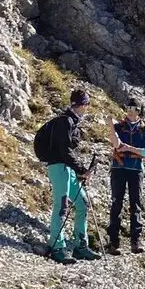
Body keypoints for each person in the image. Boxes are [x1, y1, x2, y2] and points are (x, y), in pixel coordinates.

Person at [33, 89, 101, 263]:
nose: (87, 108)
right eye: (86, 104)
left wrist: (78, 170)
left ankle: (81, 246)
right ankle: (57, 247)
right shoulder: (65, 121)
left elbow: (68, 151)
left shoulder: (70, 121)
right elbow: (65, 150)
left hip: (66, 168)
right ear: (82, 105)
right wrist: (81, 169)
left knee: (83, 204)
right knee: (62, 206)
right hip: (58, 167)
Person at [107, 98, 145, 255]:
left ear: (139, 111)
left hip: (135, 170)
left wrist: (129, 148)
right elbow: (115, 144)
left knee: (136, 204)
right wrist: (110, 126)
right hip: (118, 168)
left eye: (134, 108)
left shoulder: (144, 130)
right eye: (128, 108)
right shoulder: (119, 127)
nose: (130, 111)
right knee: (116, 203)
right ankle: (113, 242)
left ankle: (136, 241)